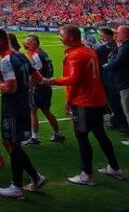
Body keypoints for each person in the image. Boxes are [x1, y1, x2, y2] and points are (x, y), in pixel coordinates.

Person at [43, 25, 123, 184]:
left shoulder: (76, 54)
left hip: (84, 102)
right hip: (97, 99)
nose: (60, 38)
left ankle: (86, 175)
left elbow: (74, 80)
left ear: (71, 37)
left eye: (62, 35)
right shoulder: (89, 50)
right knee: (100, 134)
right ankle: (114, 168)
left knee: (82, 137)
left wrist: (50, 81)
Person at [0, 29, 47, 198]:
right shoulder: (21, 56)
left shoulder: (6, 61)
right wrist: (25, 88)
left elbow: (11, 87)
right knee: (11, 142)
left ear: (0, 41)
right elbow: (37, 78)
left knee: (12, 144)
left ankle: (16, 186)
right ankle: (36, 178)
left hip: (12, 108)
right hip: (22, 105)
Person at [22, 36, 64, 145]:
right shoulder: (43, 53)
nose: (25, 44)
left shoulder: (36, 55)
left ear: (34, 42)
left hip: (39, 87)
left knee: (33, 110)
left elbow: (37, 73)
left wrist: (30, 86)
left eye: (28, 42)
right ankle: (57, 133)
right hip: (46, 86)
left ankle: (35, 137)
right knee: (44, 111)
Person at [103, 25, 129, 146]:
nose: (116, 34)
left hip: (128, 82)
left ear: (124, 34)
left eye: (118, 32)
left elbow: (117, 63)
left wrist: (105, 66)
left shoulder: (127, 47)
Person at [96, 27, 128, 132]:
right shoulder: (115, 46)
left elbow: (97, 53)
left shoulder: (110, 47)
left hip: (110, 80)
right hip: (111, 79)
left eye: (102, 35)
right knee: (115, 103)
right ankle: (118, 121)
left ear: (109, 36)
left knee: (115, 103)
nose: (100, 37)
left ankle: (123, 124)